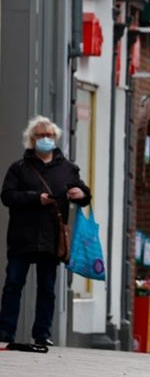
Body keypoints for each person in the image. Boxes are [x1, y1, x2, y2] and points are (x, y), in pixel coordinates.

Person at [0, 117, 91, 347]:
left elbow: (82, 192)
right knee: (13, 283)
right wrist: (34, 198)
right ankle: (5, 331)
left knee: (47, 287)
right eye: (40, 136)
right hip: (22, 236)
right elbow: (7, 196)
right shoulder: (19, 168)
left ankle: (42, 333)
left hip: (52, 238)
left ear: (55, 138)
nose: (45, 139)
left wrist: (81, 194)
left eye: (49, 135)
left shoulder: (67, 168)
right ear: (32, 139)